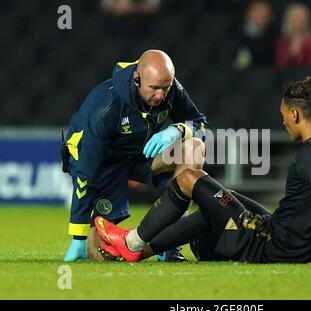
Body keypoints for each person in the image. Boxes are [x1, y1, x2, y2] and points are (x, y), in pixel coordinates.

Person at [94, 75, 311, 265]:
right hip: (284, 235)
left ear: (296, 115)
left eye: (284, 115)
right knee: (223, 198)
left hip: (273, 246)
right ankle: (149, 250)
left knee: (190, 178)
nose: (283, 121)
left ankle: (133, 243)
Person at [62, 50, 208, 262]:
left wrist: (177, 130)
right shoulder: (106, 107)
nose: (161, 96)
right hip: (104, 167)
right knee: (101, 255)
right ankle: (124, 239)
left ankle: (170, 242)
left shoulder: (171, 89)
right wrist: (78, 235)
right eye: (155, 89)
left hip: (141, 155)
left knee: (193, 147)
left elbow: (200, 123)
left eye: (165, 88)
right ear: (137, 79)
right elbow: (86, 171)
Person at [275, 3, 311, 70]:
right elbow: (279, 64)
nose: (297, 21)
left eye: (300, 18)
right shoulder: (283, 42)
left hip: (307, 76)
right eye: (294, 18)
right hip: (286, 77)